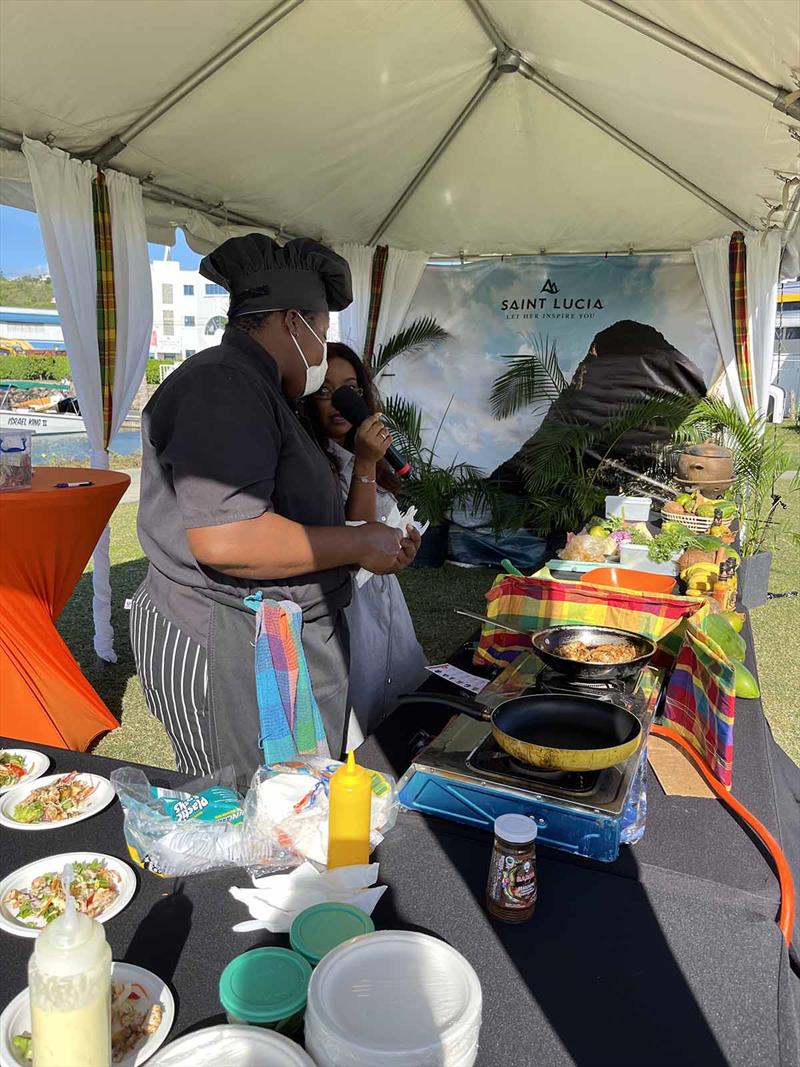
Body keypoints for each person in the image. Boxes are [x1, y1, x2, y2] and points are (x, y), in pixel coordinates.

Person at [131, 235, 420, 780]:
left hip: (270, 636)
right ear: (294, 323)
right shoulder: (223, 384)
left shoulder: (264, 391)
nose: (321, 354)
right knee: (242, 809)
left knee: (290, 802)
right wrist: (359, 543)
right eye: (322, 335)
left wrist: (363, 541)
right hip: (224, 639)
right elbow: (229, 537)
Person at [306, 343, 427, 745]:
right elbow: (355, 538)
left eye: (350, 389)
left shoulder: (360, 454)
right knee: (358, 719)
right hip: (345, 611)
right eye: (325, 390)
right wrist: (365, 461)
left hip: (384, 602)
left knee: (399, 712)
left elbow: (377, 536)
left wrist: (402, 551)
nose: (339, 401)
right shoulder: (311, 464)